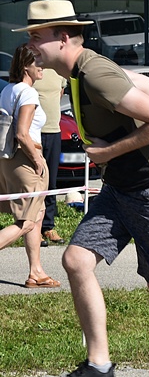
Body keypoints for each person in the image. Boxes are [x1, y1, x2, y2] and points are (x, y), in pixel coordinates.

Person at [20, 0, 149, 377]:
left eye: (37, 37)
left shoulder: (94, 73)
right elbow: (143, 87)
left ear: (63, 37)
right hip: (122, 187)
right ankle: (98, 367)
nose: (31, 46)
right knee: (76, 260)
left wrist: (109, 152)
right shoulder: (79, 72)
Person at [0, 44, 59, 289]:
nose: (42, 66)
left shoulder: (8, 90)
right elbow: (22, 134)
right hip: (26, 160)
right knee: (26, 221)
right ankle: (36, 272)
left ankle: (36, 272)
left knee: (37, 213)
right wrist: (37, 159)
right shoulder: (28, 93)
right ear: (26, 67)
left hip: (9, 160)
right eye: (37, 62)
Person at [32, 67, 66, 247]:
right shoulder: (33, 70)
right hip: (34, 133)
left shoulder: (58, 71)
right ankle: (32, 227)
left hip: (54, 131)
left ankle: (48, 226)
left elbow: (60, 93)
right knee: (34, 182)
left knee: (51, 182)